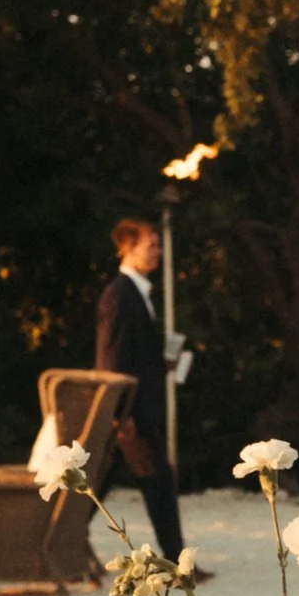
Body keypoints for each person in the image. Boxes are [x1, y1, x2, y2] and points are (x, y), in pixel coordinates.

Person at [95, 215, 188, 568]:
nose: (158, 253)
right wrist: (121, 414)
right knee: (157, 481)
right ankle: (178, 559)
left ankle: (65, 541)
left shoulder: (136, 294)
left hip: (138, 406)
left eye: (158, 246)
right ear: (128, 249)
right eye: (151, 246)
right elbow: (112, 359)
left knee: (107, 483)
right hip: (132, 409)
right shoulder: (120, 295)